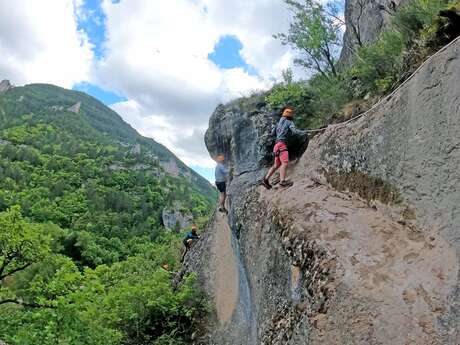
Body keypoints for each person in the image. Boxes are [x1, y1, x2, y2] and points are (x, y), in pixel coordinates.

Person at [262, 106, 307, 189]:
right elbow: (295, 131)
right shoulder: (289, 122)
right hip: (282, 145)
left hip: (276, 146)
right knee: (285, 163)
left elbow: (272, 134)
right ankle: (282, 181)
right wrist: (304, 132)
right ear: (290, 116)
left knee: (277, 164)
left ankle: (265, 179)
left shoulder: (278, 124)